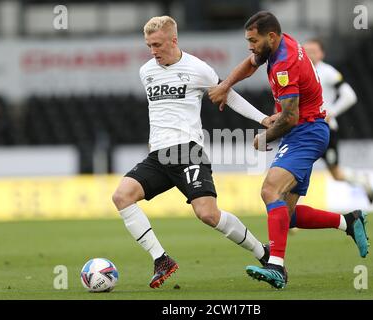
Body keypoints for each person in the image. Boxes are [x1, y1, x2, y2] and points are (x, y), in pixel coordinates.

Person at [209, 11, 369, 289]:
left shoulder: (284, 63)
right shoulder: (281, 43)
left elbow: (290, 117)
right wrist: (226, 85)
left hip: (306, 132)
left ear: (270, 36)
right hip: (306, 130)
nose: (250, 45)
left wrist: (265, 137)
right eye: (248, 40)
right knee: (287, 213)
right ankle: (349, 221)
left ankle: (276, 267)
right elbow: (251, 63)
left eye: (253, 40)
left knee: (269, 191)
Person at [112, 16, 274, 289]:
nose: (153, 51)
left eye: (158, 44)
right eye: (149, 45)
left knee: (208, 214)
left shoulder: (198, 68)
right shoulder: (146, 71)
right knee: (122, 196)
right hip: (159, 156)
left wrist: (261, 119)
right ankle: (161, 259)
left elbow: (228, 94)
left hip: (188, 152)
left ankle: (264, 253)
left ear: (173, 40)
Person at [303, 39, 373, 203]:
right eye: (306, 51)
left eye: (313, 51)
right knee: (299, 168)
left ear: (322, 54)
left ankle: (362, 180)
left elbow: (350, 95)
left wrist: (331, 112)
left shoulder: (327, 71)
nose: (309, 54)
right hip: (305, 128)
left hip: (325, 129)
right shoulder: (299, 72)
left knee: (335, 174)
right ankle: (289, 212)